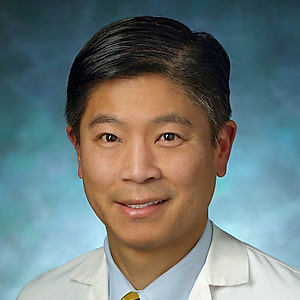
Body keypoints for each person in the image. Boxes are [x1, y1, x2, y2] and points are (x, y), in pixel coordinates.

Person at [17, 16, 300, 300]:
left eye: (168, 137)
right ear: (78, 149)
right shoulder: (40, 294)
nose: (138, 171)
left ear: (222, 147)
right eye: (110, 137)